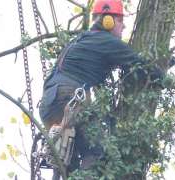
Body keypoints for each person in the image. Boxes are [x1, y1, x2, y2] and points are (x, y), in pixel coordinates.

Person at [38, 0, 163, 173]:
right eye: (120, 20)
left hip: (48, 104)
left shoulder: (81, 40)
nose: (124, 26)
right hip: (69, 98)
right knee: (97, 153)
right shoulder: (107, 41)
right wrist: (169, 80)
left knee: (67, 166)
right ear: (108, 21)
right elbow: (140, 66)